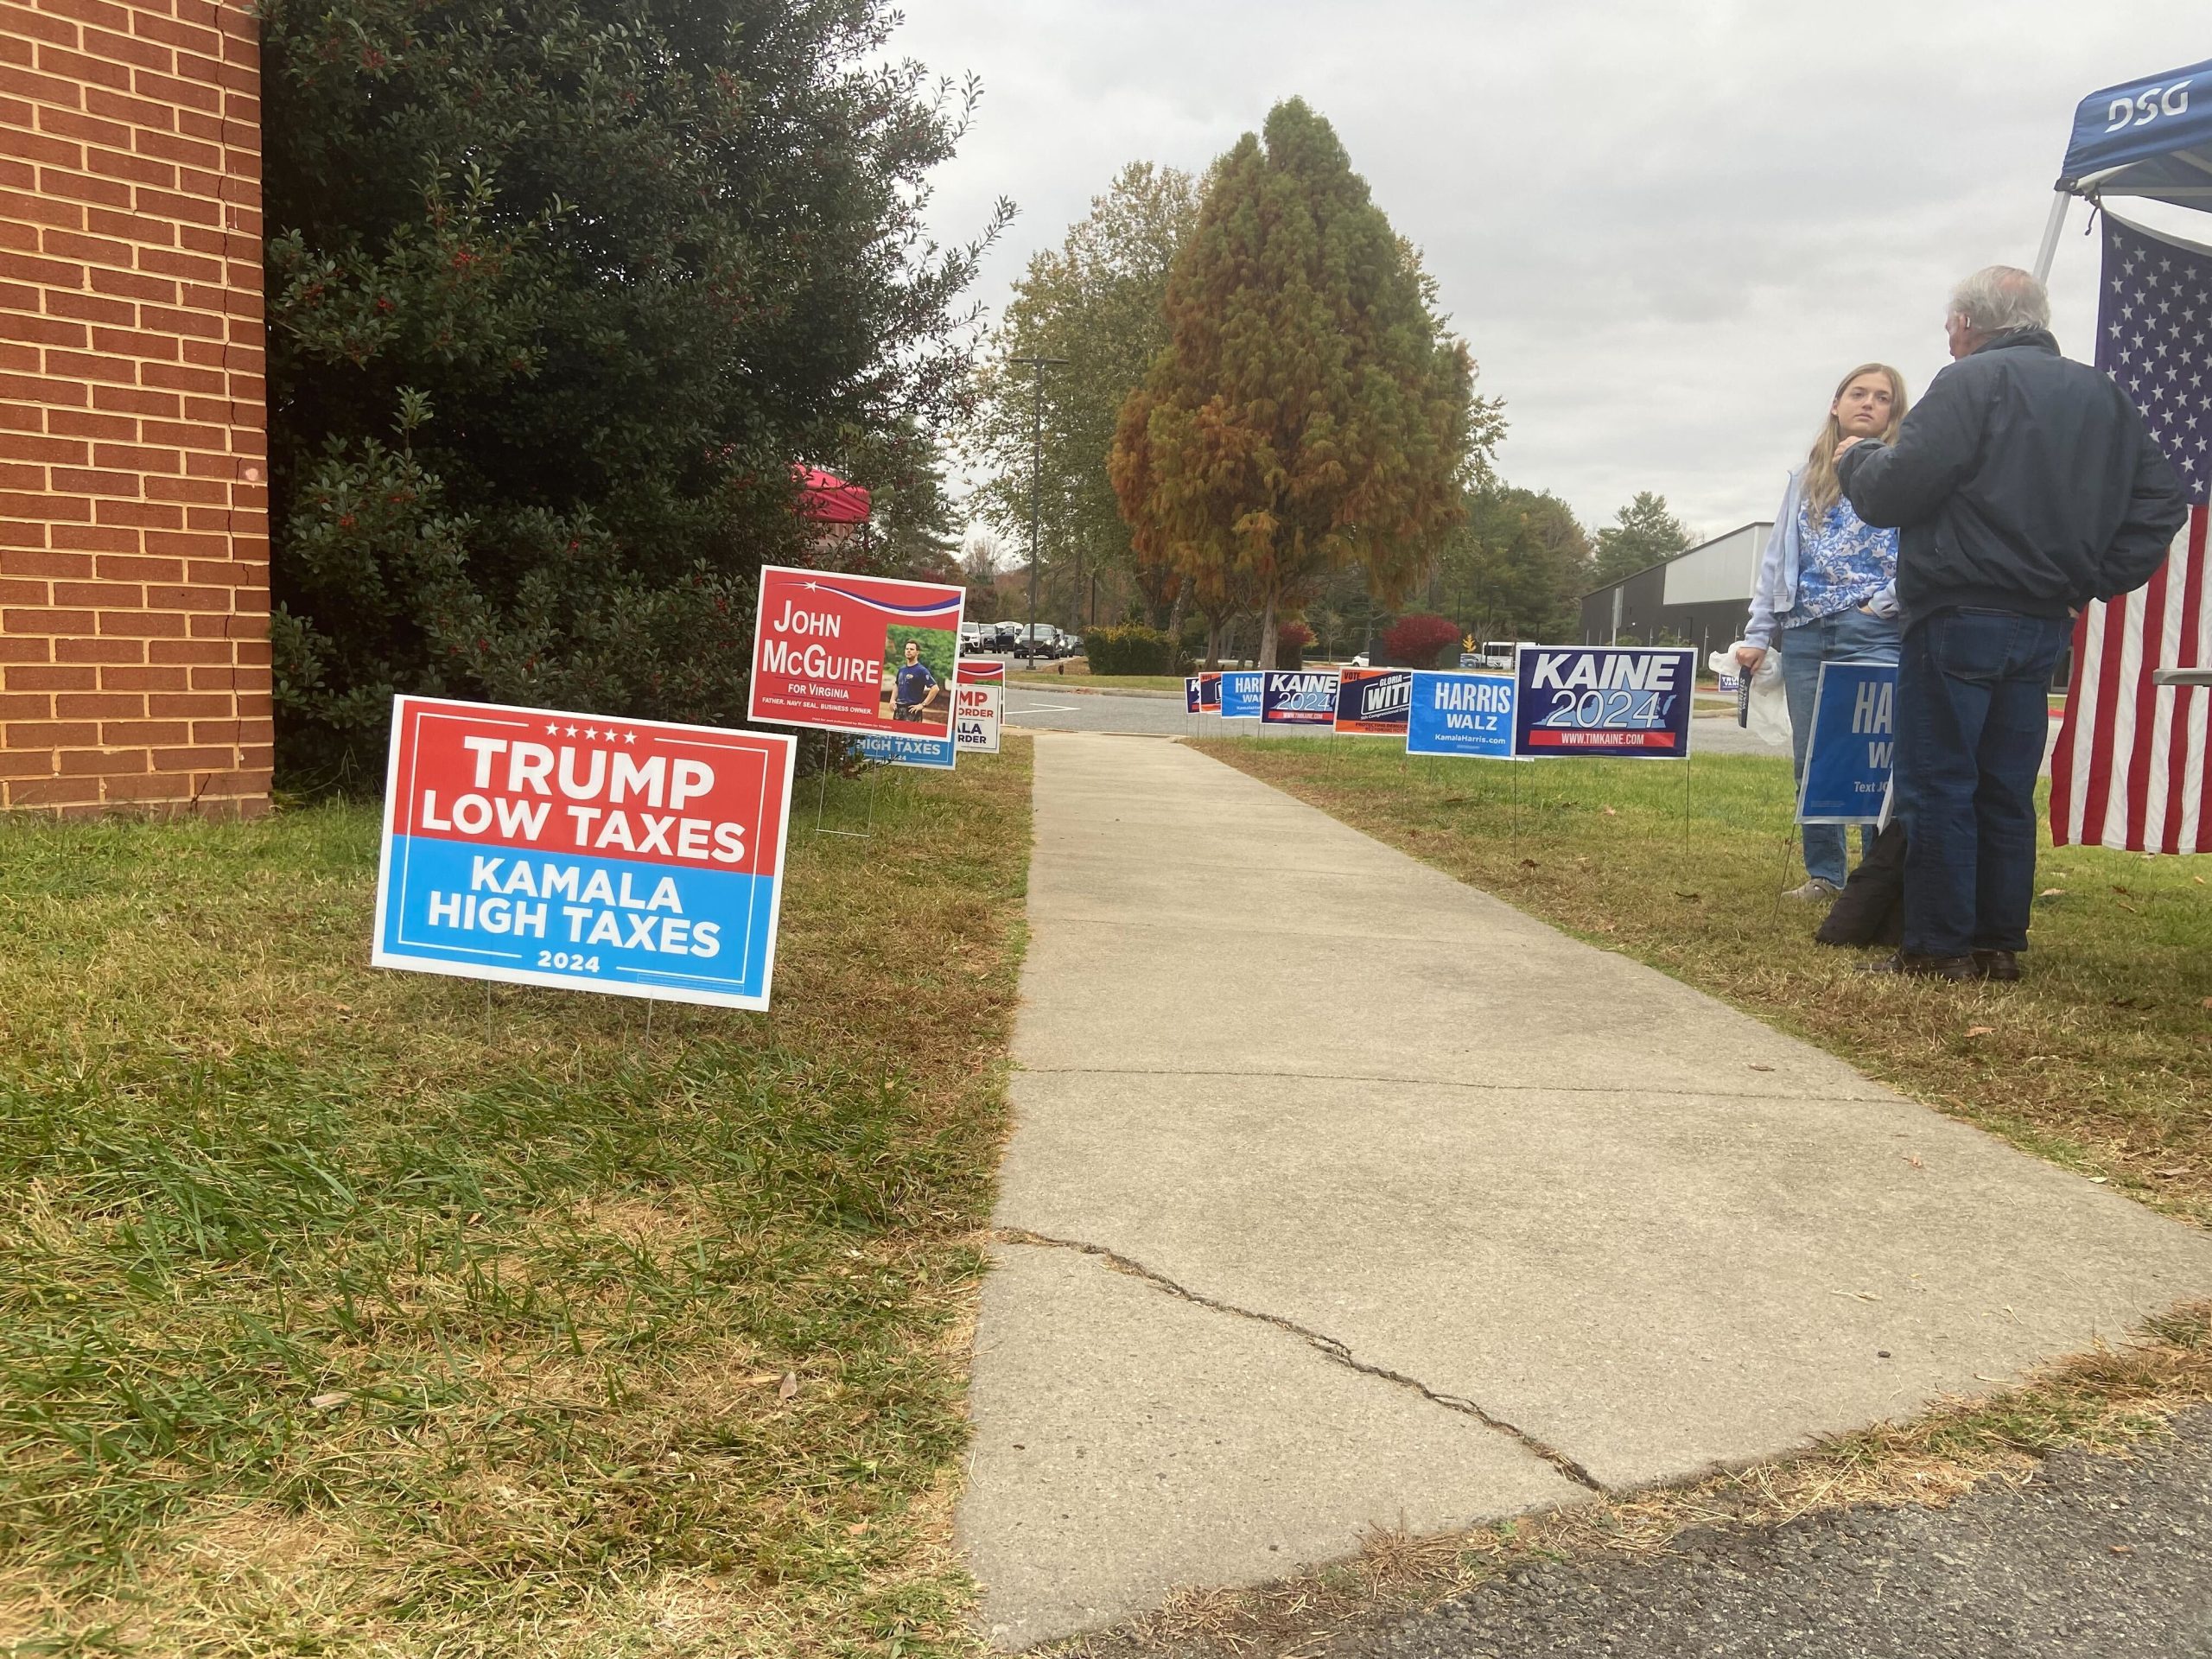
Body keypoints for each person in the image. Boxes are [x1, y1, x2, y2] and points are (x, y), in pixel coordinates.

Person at [1836, 266, 2186, 981]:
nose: (1948, 335)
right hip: (2043, 622)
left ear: (1969, 324)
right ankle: (1997, 944)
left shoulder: (1966, 383)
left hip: (1959, 610)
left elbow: (1896, 491)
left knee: (1939, 785)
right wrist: (2089, 580)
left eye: (1950, 324)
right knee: (2003, 787)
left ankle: (1937, 951)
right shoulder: (2104, 395)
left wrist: (1858, 459)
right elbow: (2161, 503)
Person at [1736, 363, 1909, 901]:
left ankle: (1876, 882)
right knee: (1814, 759)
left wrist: (1885, 604)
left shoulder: (1906, 474)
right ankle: (1826, 875)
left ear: (1893, 413)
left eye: (1882, 398)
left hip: (1875, 630)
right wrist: (1759, 633)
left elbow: (1921, 548)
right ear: (1836, 405)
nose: (1868, 403)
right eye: (1857, 393)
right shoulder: (1804, 476)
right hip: (1807, 631)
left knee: (1874, 762)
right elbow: (1778, 560)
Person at [892, 639, 942, 723]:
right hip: (898, 709)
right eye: (907, 649)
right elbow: (897, 684)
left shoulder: (921, 670)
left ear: (917, 652)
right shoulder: (902, 669)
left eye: (912, 649)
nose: (908, 651)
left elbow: (935, 688)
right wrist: (892, 699)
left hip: (912, 711)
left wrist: (923, 705)